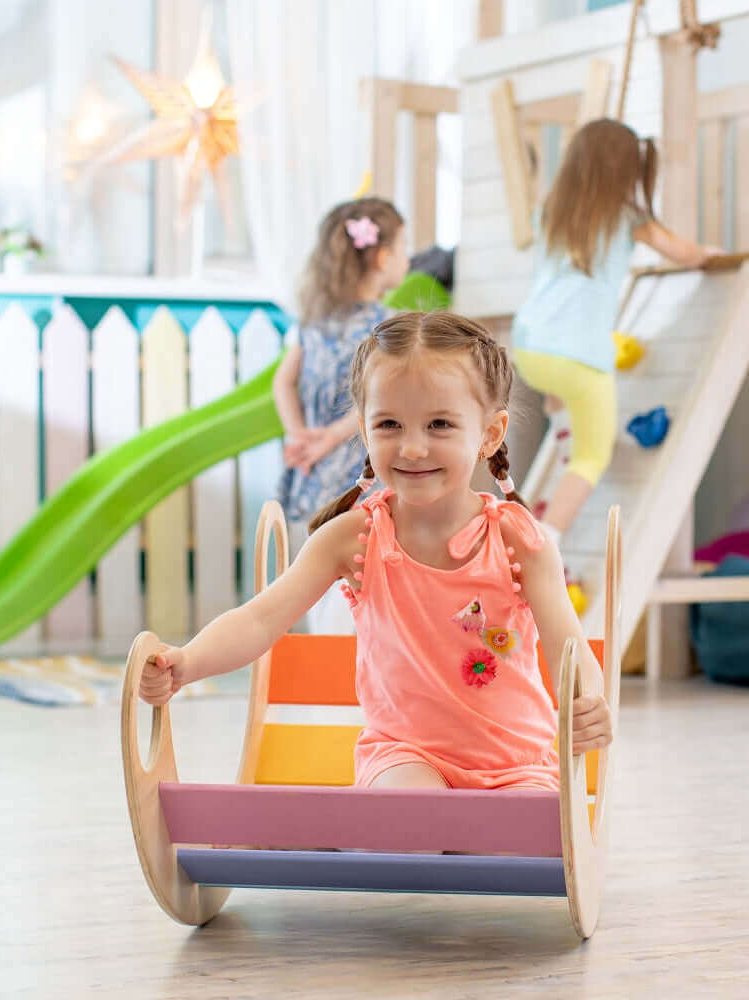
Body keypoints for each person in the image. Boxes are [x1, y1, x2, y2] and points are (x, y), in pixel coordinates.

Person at [145, 312, 612, 790]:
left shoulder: (519, 541)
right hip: (404, 755)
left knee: (520, 829)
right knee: (411, 810)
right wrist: (187, 662)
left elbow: (569, 647)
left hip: (519, 763)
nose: (412, 448)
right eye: (389, 424)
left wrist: (588, 702)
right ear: (365, 432)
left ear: (490, 435)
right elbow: (260, 619)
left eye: (439, 424)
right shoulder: (353, 537)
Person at [511, 118, 719, 544]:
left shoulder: (548, 213)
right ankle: (546, 541)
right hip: (578, 355)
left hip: (530, 346)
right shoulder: (627, 218)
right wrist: (707, 254)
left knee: (563, 402)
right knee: (592, 456)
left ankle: (562, 439)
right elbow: (684, 253)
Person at [273, 197, 407, 633]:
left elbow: (283, 383)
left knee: (317, 573)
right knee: (358, 575)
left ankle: (327, 654)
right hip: (359, 472)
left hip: (314, 470)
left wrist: (299, 436)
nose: (407, 259)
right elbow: (383, 398)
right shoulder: (387, 329)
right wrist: (330, 436)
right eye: (404, 248)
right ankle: (346, 659)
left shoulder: (314, 322)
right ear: (383, 257)